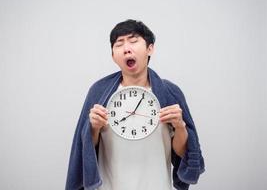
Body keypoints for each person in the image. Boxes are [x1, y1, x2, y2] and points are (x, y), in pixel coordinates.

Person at [65, 19, 205, 190]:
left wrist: (180, 126)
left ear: (150, 48)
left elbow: (183, 153)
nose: (126, 48)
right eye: (119, 44)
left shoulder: (169, 92)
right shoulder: (99, 92)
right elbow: (85, 148)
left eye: (133, 41)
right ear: (113, 56)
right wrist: (93, 128)